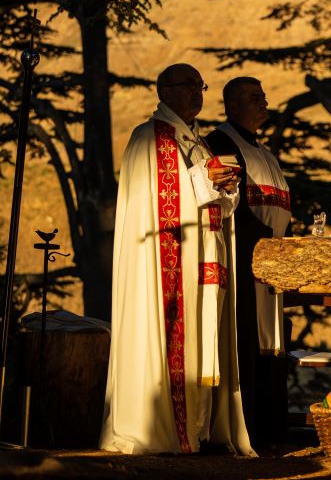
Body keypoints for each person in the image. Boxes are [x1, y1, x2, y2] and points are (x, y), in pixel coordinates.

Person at [100, 64, 252, 455]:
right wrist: (205, 181)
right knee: (174, 337)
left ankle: (198, 429)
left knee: (203, 341)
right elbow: (163, 203)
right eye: (188, 85)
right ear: (164, 90)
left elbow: (208, 200)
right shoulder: (150, 138)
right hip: (167, 261)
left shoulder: (197, 143)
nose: (197, 93)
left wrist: (226, 188)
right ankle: (168, 429)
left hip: (202, 259)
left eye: (200, 86)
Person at [205, 77, 289, 449]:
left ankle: (271, 428)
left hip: (272, 262)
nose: (264, 102)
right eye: (255, 98)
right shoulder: (222, 143)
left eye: (264, 96)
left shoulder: (264, 152)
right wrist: (266, 245)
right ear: (232, 104)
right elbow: (231, 204)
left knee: (271, 341)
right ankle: (249, 427)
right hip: (244, 261)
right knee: (247, 342)